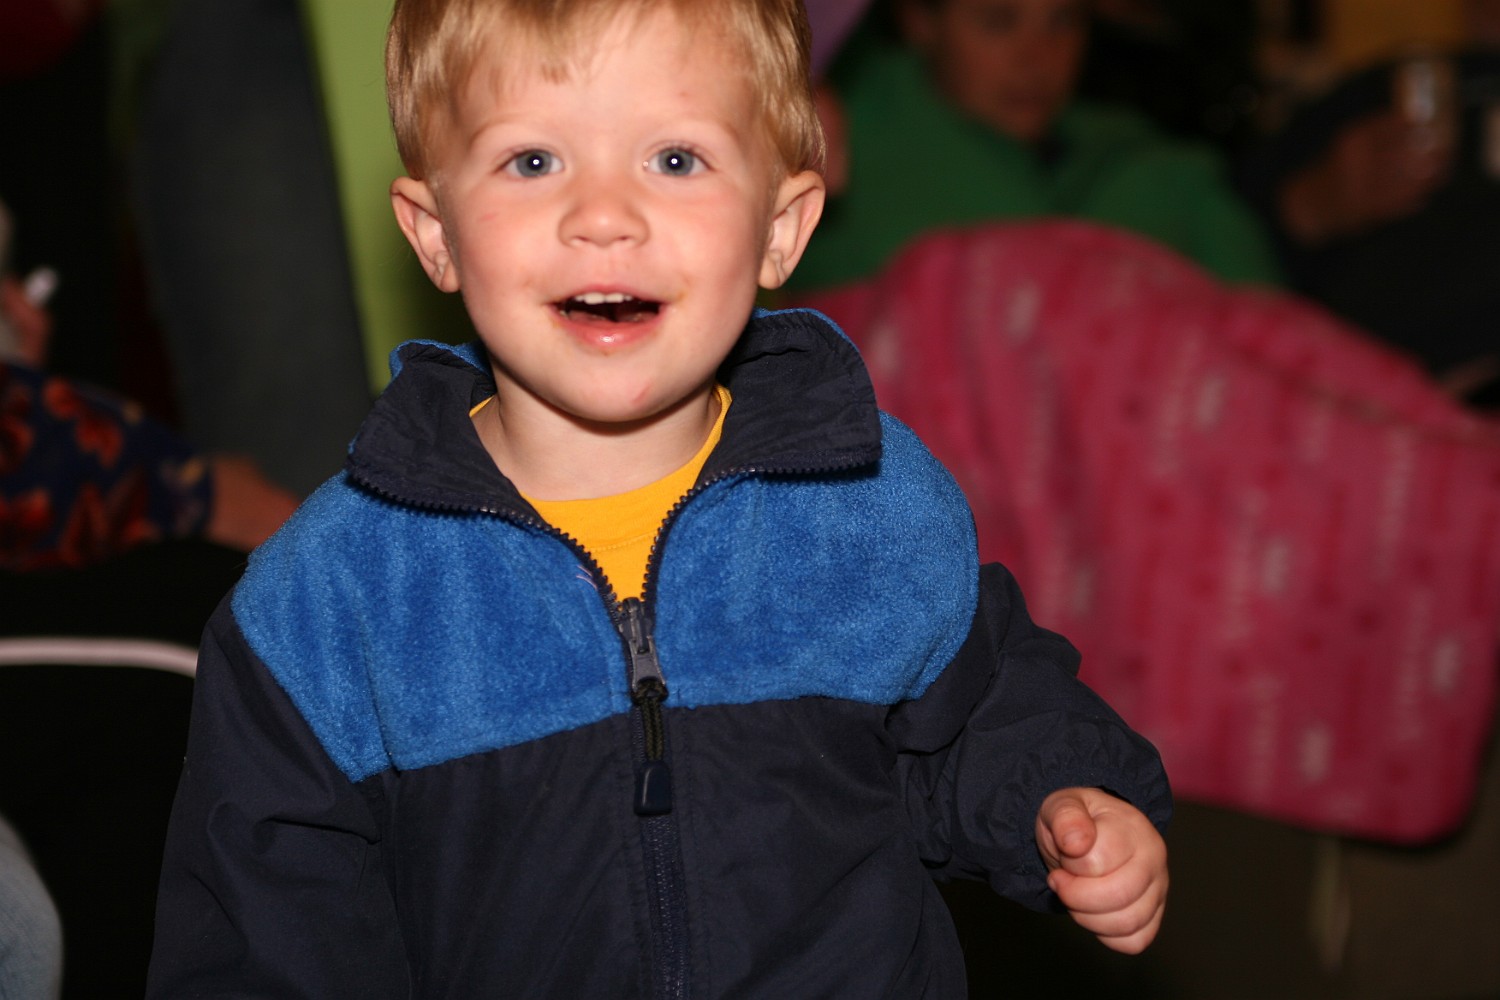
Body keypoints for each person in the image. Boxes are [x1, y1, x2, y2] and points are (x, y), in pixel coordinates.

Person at [145, 0, 1171, 994]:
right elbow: (265, 937)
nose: (603, 217)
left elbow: (982, 708)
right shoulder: (329, 602)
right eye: (532, 160)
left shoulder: (867, 506)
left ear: (781, 227)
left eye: (675, 160)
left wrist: (1062, 796)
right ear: (435, 233)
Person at [786, 0, 1281, 292]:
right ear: (920, 22)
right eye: (999, 21)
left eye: (1063, 21)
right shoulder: (839, 121)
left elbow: (1275, 334)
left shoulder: (1159, 168)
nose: (1037, 58)